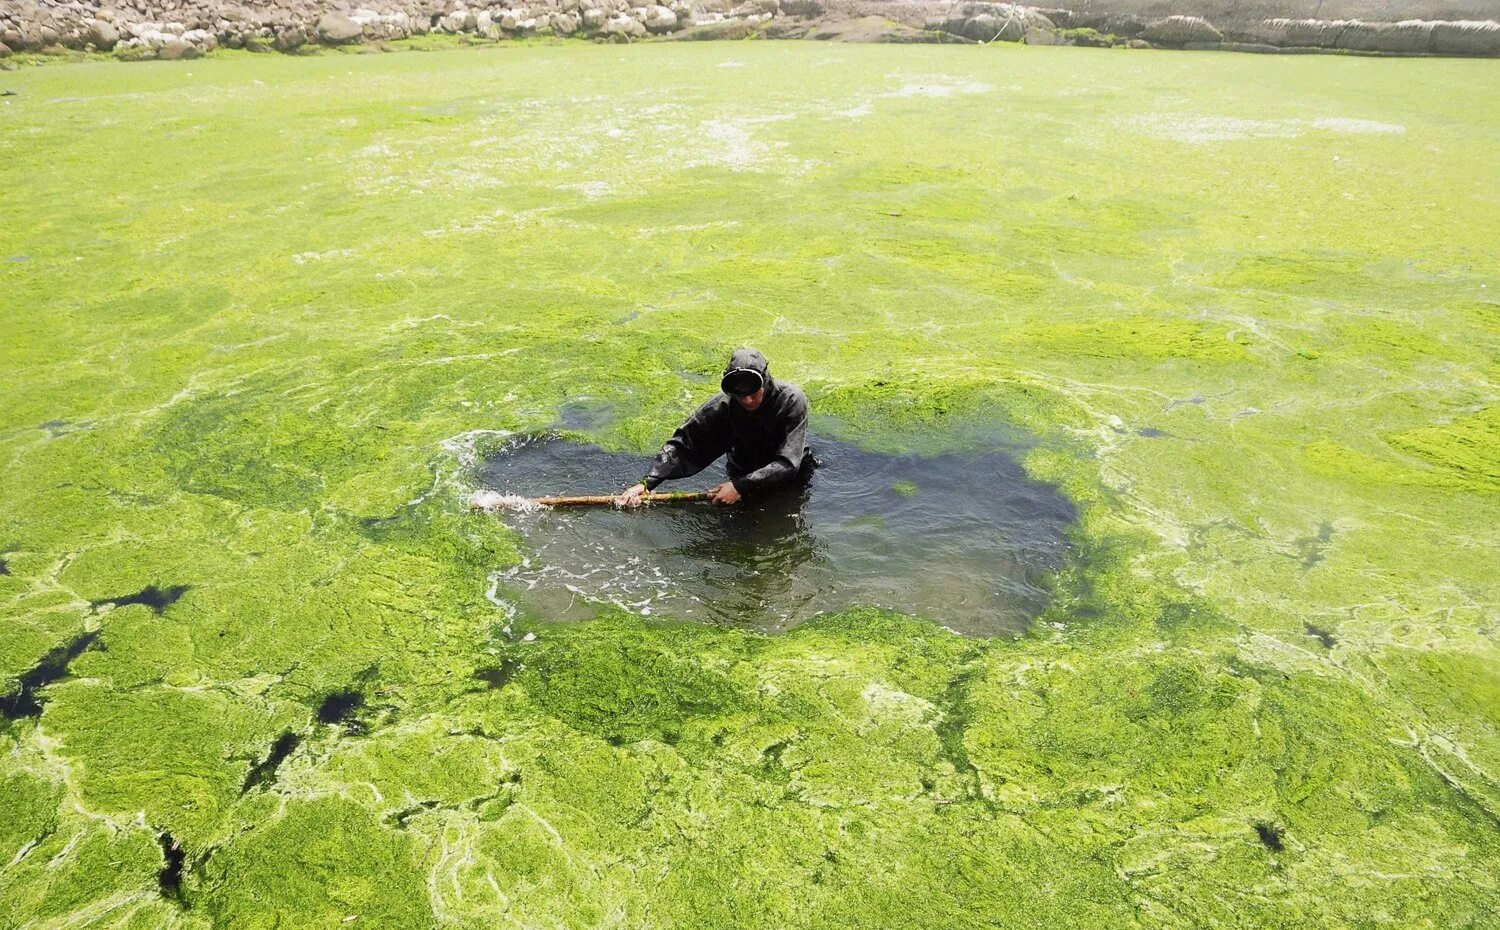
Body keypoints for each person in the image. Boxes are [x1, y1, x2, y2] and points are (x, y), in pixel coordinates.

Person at [617, 348, 815, 507]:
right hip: (742, 468)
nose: (747, 400)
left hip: (789, 476)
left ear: (765, 381)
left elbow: (789, 463)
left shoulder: (792, 401)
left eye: (753, 392)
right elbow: (684, 444)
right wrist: (646, 484)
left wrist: (740, 487)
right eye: (740, 394)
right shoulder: (722, 407)